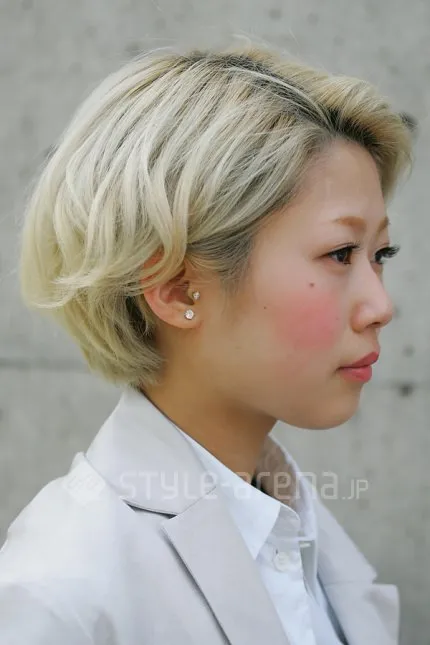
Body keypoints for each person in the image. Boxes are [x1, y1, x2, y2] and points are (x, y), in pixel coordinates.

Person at [0, 41, 412, 645]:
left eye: (381, 254)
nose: (380, 306)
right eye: (340, 253)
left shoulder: (294, 529)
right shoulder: (59, 593)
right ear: (175, 287)